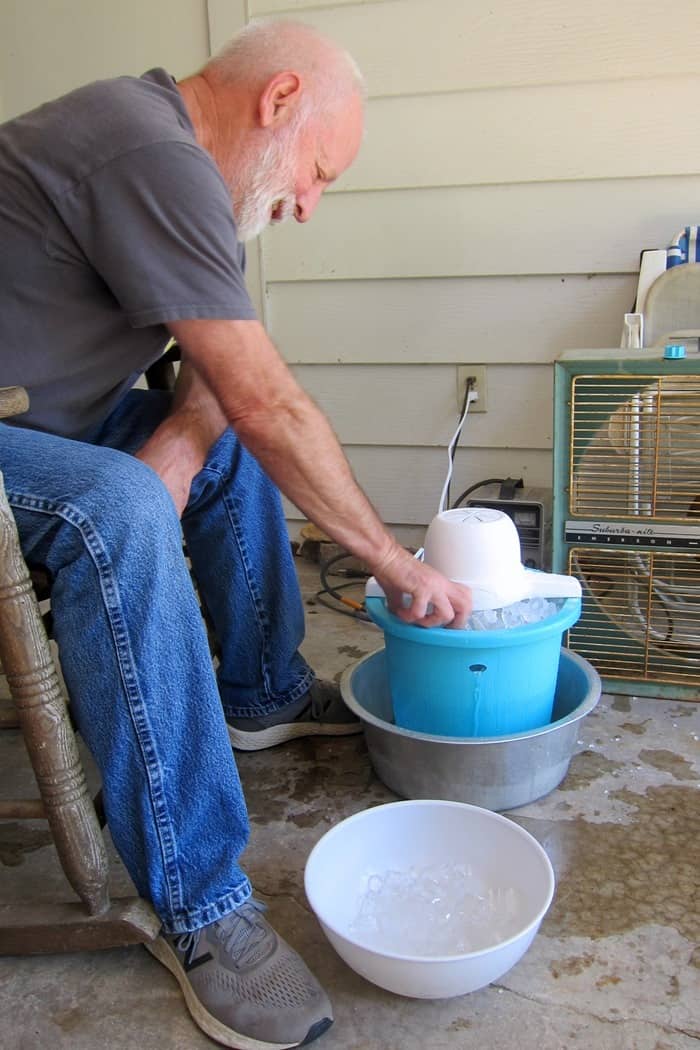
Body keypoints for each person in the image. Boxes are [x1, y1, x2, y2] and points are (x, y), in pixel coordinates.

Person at [0, 18, 472, 1049]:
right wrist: (391, 560)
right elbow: (268, 399)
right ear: (280, 100)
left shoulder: (182, 171)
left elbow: (231, 375)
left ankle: (260, 689)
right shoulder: (146, 150)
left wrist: (174, 445)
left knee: (205, 449)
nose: (306, 205)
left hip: (44, 425)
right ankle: (202, 905)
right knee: (118, 508)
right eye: (318, 173)